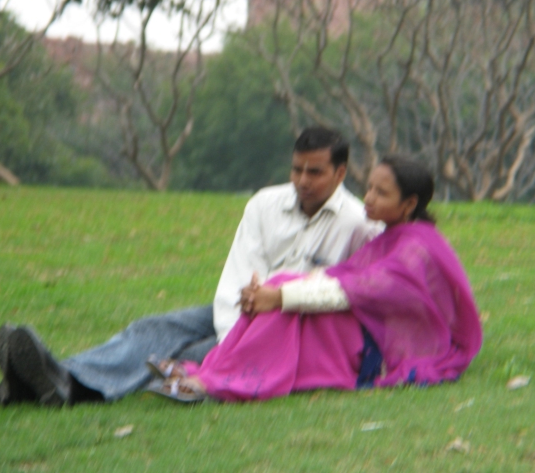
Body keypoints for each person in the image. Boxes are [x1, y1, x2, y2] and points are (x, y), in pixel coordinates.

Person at [0, 127, 381, 406]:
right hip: (241, 314)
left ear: (341, 173)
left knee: (192, 352)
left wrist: (239, 342)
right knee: (154, 329)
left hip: (292, 328)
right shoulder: (265, 204)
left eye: (315, 172)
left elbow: (351, 294)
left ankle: (53, 386)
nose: (302, 181)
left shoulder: (359, 224)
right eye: (297, 170)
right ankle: (56, 376)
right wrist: (235, 331)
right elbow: (239, 274)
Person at [148, 156, 482, 403]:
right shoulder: (394, 234)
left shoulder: (415, 248)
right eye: (369, 188)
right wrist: (273, 290)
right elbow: (344, 278)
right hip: (367, 323)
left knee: (285, 303)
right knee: (282, 283)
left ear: (409, 204)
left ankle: (217, 383)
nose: (368, 198)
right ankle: (208, 373)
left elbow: (351, 292)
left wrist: (279, 297)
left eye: (381, 193)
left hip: (387, 344)